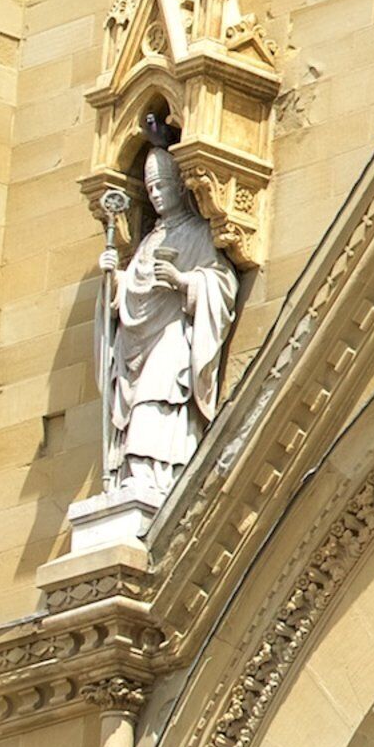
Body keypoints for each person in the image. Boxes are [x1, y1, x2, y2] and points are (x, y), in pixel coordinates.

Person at [100, 132, 241, 504]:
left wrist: (183, 282)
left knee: (157, 396)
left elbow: (220, 281)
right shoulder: (148, 241)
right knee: (143, 399)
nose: (157, 194)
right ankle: (139, 476)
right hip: (140, 339)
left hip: (173, 335)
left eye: (163, 185)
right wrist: (114, 279)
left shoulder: (198, 233)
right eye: (151, 188)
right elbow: (132, 291)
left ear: (180, 186)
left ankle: (156, 474)